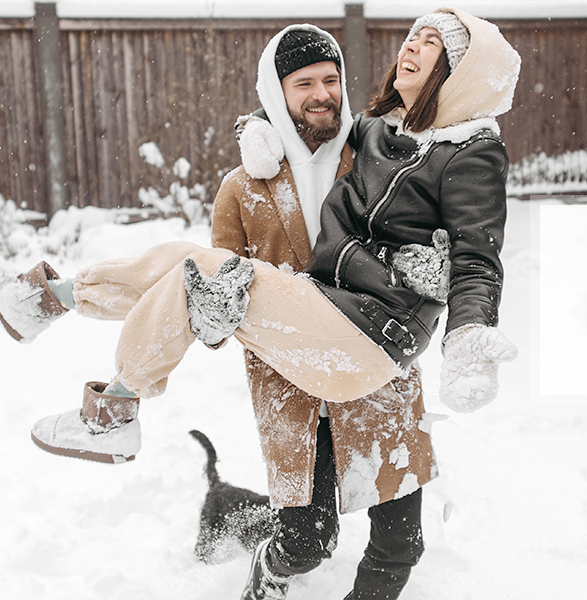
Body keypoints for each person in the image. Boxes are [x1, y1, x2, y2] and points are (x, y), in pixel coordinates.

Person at [1, 7, 520, 600]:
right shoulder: (251, 182)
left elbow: (472, 249)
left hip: (370, 355)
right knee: (303, 540)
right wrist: (219, 322)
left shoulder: (374, 144)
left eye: (331, 80)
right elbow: (196, 303)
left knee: (401, 538)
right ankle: (56, 303)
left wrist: (459, 317)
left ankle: (107, 400)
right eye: (303, 84)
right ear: (275, 94)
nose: (322, 95)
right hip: (292, 370)